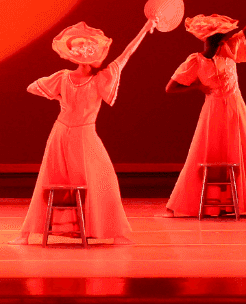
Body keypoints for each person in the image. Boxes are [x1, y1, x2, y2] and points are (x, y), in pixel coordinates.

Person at [12, 19, 152, 245]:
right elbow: (125, 56)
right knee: (98, 179)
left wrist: (59, 98)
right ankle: (114, 233)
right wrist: (144, 29)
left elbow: (32, 87)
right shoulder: (97, 79)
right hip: (83, 136)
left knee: (56, 178)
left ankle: (26, 235)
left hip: (62, 132)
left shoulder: (66, 77)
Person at [162, 1, 246, 217]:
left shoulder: (230, 51)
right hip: (213, 112)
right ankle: (197, 205)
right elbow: (170, 87)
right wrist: (197, 86)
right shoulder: (196, 61)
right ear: (214, 40)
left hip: (235, 109)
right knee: (207, 154)